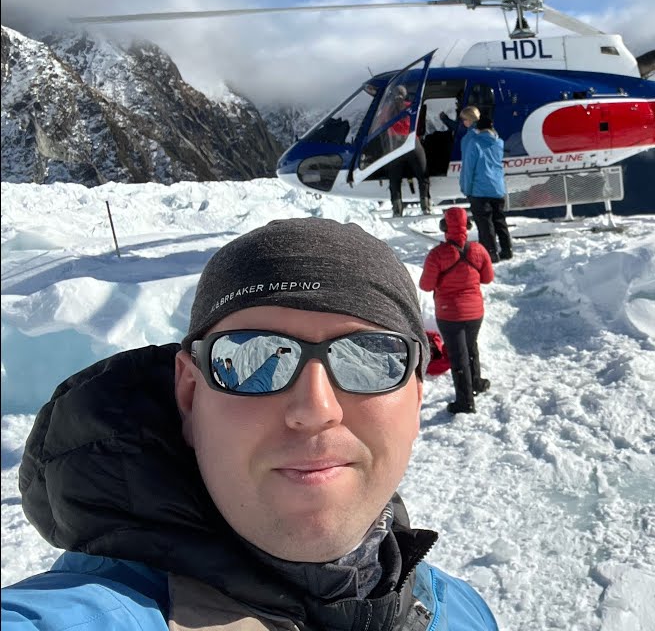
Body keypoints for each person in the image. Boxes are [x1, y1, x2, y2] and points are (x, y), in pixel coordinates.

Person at [1, 218, 499, 630]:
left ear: (416, 395)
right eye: (250, 357)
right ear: (190, 396)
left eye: (369, 357)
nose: (315, 409)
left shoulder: (461, 612)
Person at [419, 207, 494, 415]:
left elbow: (426, 285)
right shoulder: (478, 250)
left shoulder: (437, 255)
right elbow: (487, 278)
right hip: (475, 312)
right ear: (468, 226)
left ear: (444, 227)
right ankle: (476, 382)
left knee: (458, 355)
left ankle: (465, 402)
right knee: (471, 346)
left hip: (449, 313)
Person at [459, 108, 513, 262]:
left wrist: (466, 189)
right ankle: (507, 250)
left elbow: (468, 169)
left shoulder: (474, 143)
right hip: (497, 188)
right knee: (499, 220)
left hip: (479, 189)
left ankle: (490, 253)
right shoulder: (499, 143)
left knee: (485, 223)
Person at [386, 86, 430, 217]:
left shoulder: (387, 109)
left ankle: (397, 208)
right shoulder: (411, 106)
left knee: (394, 178)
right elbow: (419, 126)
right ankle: (425, 206)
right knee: (423, 175)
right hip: (412, 142)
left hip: (395, 145)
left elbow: (381, 124)